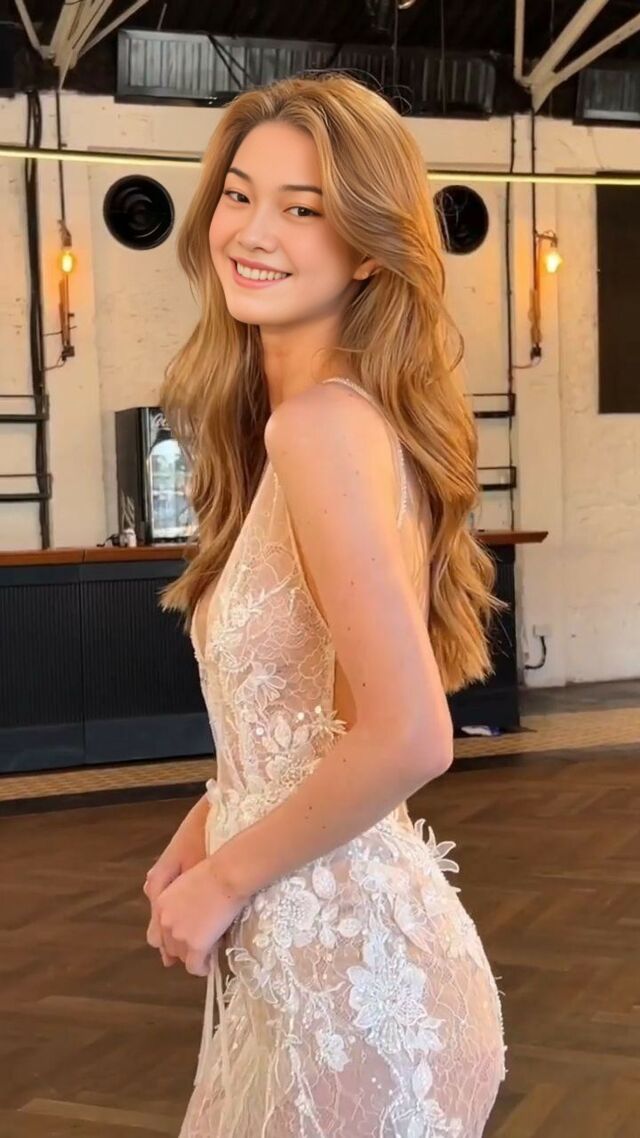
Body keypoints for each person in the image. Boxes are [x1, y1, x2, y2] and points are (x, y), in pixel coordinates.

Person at [143, 72, 507, 1138]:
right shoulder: (312, 424)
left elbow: (410, 734)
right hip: (302, 968)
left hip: (358, 992)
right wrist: (207, 824)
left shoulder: (323, 430)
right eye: (240, 195)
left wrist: (223, 881)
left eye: (302, 209)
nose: (254, 232)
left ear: (367, 248)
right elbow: (314, 719)